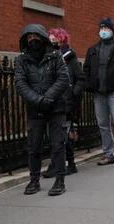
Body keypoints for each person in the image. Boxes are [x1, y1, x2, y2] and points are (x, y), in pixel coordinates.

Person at [14, 24, 69, 196]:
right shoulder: (21, 60)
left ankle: (60, 180)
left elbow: (63, 78)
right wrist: (38, 100)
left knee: (58, 145)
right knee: (34, 146)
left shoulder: (55, 56)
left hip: (55, 108)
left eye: (35, 36)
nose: (32, 40)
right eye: (29, 37)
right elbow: (20, 84)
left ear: (42, 37)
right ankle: (34, 180)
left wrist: (48, 98)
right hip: (35, 109)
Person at [83, 17, 114, 167]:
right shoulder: (93, 50)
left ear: (112, 30)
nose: (103, 31)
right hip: (99, 92)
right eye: (102, 28)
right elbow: (86, 69)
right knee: (103, 124)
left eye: (106, 28)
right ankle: (108, 154)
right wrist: (89, 84)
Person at [42, 28, 85, 178]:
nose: (52, 40)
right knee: (58, 135)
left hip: (66, 102)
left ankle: (59, 165)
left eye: (55, 38)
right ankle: (69, 164)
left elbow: (80, 79)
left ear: (62, 40)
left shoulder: (70, 59)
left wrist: (73, 93)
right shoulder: (48, 57)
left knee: (62, 136)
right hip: (53, 101)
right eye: (50, 38)